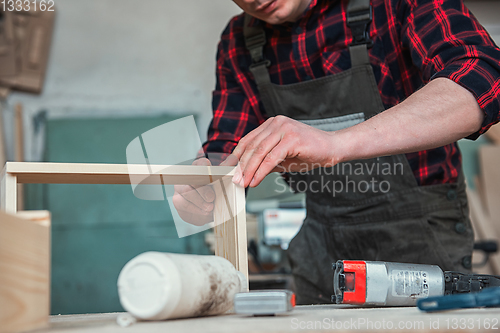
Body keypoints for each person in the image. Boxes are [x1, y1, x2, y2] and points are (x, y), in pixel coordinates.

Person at [174, 0, 500, 304]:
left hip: (421, 239)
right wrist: (207, 187)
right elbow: (226, 149)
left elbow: (482, 78)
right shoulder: (239, 42)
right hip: (321, 246)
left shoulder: (392, 5)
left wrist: (335, 144)